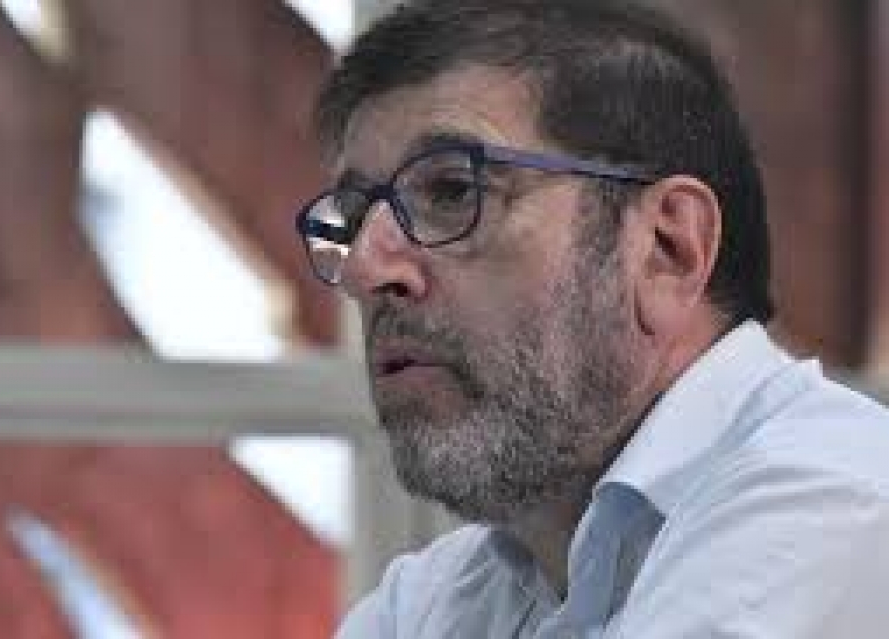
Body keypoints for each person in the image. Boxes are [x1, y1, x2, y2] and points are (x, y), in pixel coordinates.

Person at [295, 1, 889, 636]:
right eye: (353, 217)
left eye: (453, 192)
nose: (364, 269)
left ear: (668, 247)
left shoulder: (838, 500)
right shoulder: (435, 598)